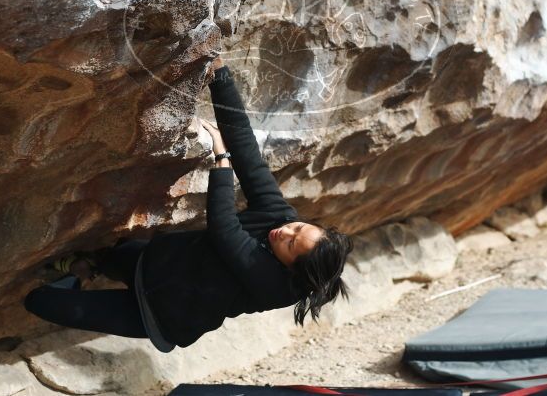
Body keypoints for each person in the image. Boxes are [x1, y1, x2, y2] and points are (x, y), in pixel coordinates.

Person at [24, 55, 353, 351]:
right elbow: (249, 156)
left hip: (160, 315)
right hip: (154, 264)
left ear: (290, 267)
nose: (285, 232)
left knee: (39, 302)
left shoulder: (275, 286)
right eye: (297, 228)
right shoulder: (280, 218)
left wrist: (220, 159)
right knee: (113, 256)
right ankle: (90, 266)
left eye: (291, 245)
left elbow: (225, 230)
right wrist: (220, 78)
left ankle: (76, 281)